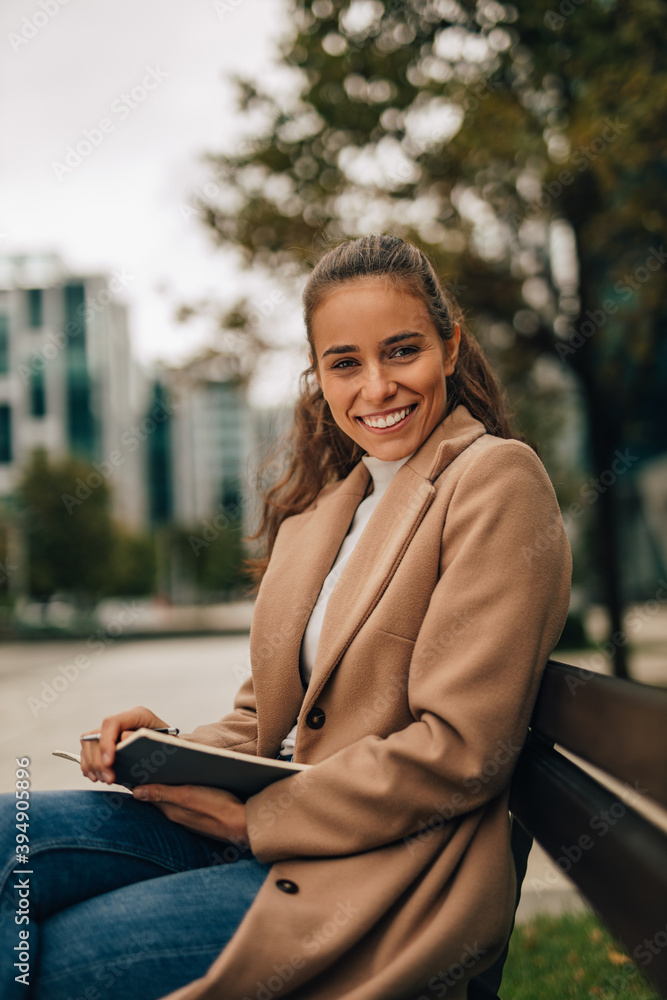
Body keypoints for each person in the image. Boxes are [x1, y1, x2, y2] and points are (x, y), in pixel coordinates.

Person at [0, 234, 571, 1000]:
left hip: (384, 874)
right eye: (345, 363)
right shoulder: (333, 510)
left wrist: (254, 823)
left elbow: (457, 752)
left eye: (401, 351)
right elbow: (272, 717)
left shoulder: (493, 480)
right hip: (273, 836)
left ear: (448, 345)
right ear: (319, 375)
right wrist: (165, 753)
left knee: (51, 962)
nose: (375, 387)